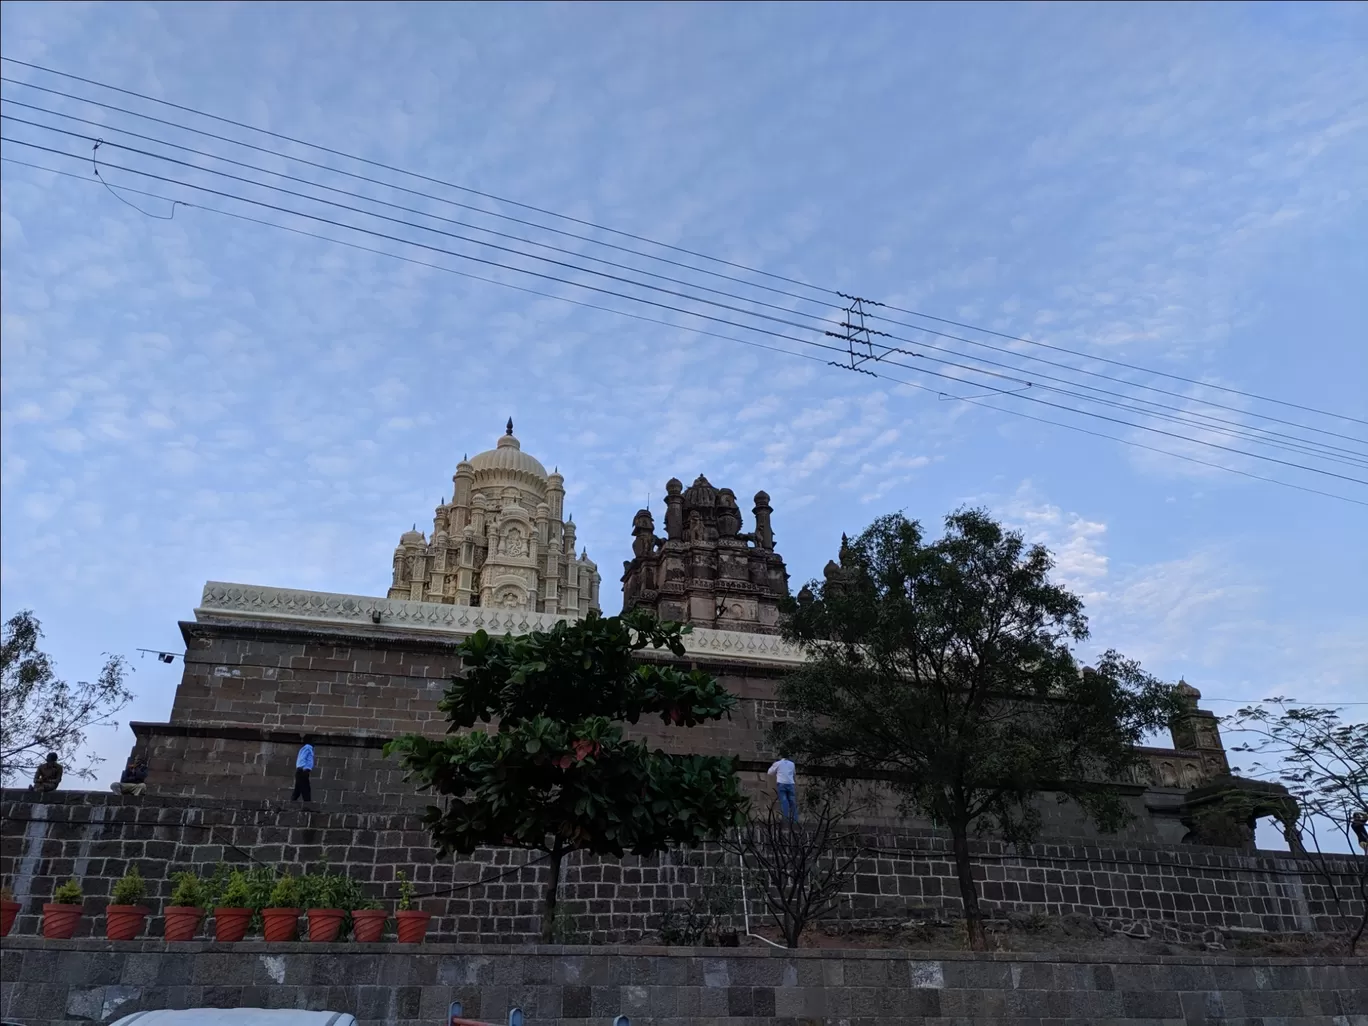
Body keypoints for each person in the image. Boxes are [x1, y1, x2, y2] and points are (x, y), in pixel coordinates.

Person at [767, 756, 798, 823]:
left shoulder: (778, 763)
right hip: (790, 783)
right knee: (792, 801)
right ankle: (795, 819)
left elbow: (769, 772)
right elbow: (794, 773)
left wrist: (774, 764)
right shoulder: (792, 764)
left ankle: (785, 819)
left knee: (784, 801)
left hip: (781, 783)